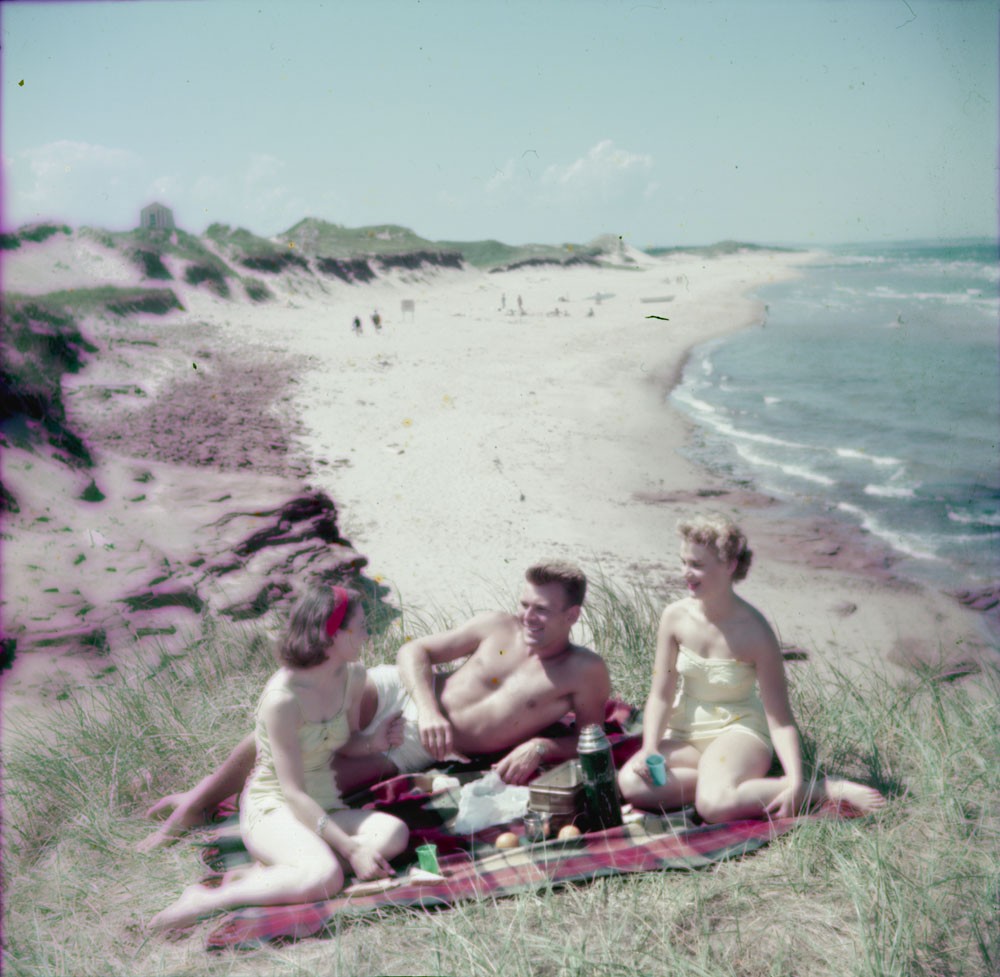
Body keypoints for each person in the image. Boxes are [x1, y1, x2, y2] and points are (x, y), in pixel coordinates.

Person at [141, 563, 610, 850]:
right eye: (525, 603)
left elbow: (593, 742)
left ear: (572, 616)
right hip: (400, 694)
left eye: (542, 610)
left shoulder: (584, 672)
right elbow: (414, 653)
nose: (527, 616)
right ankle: (197, 805)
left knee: (306, 779)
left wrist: (543, 744)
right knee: (290, 723)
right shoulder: (496, 626)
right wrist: (427, 707)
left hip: (412, 746)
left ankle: (237, 816)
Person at [149, 586, 409, 931]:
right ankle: (207, 899)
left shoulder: (353, 676)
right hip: (275, 807)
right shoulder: (282, 699)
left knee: (394, 833)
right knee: (326, 878)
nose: (367, 632)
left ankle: (280, 872)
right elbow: (292, 792)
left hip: (322, 804)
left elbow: (346, 744)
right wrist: (350, 849)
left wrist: (373, 742)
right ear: (332, 634)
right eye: (359, 626)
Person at [618, 514, 886, 821]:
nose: (685, 574)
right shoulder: (674, 617)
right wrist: (651, 747)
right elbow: (661, 695)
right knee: (631, 784)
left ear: (730, 565)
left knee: (713, 807)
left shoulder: (756, 631)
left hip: (739, 731)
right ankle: (732, 785)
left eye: (697, 565)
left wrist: (796, 779)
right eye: (683, 562)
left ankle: (820, 788)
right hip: (685, 731)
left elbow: (781, 720)